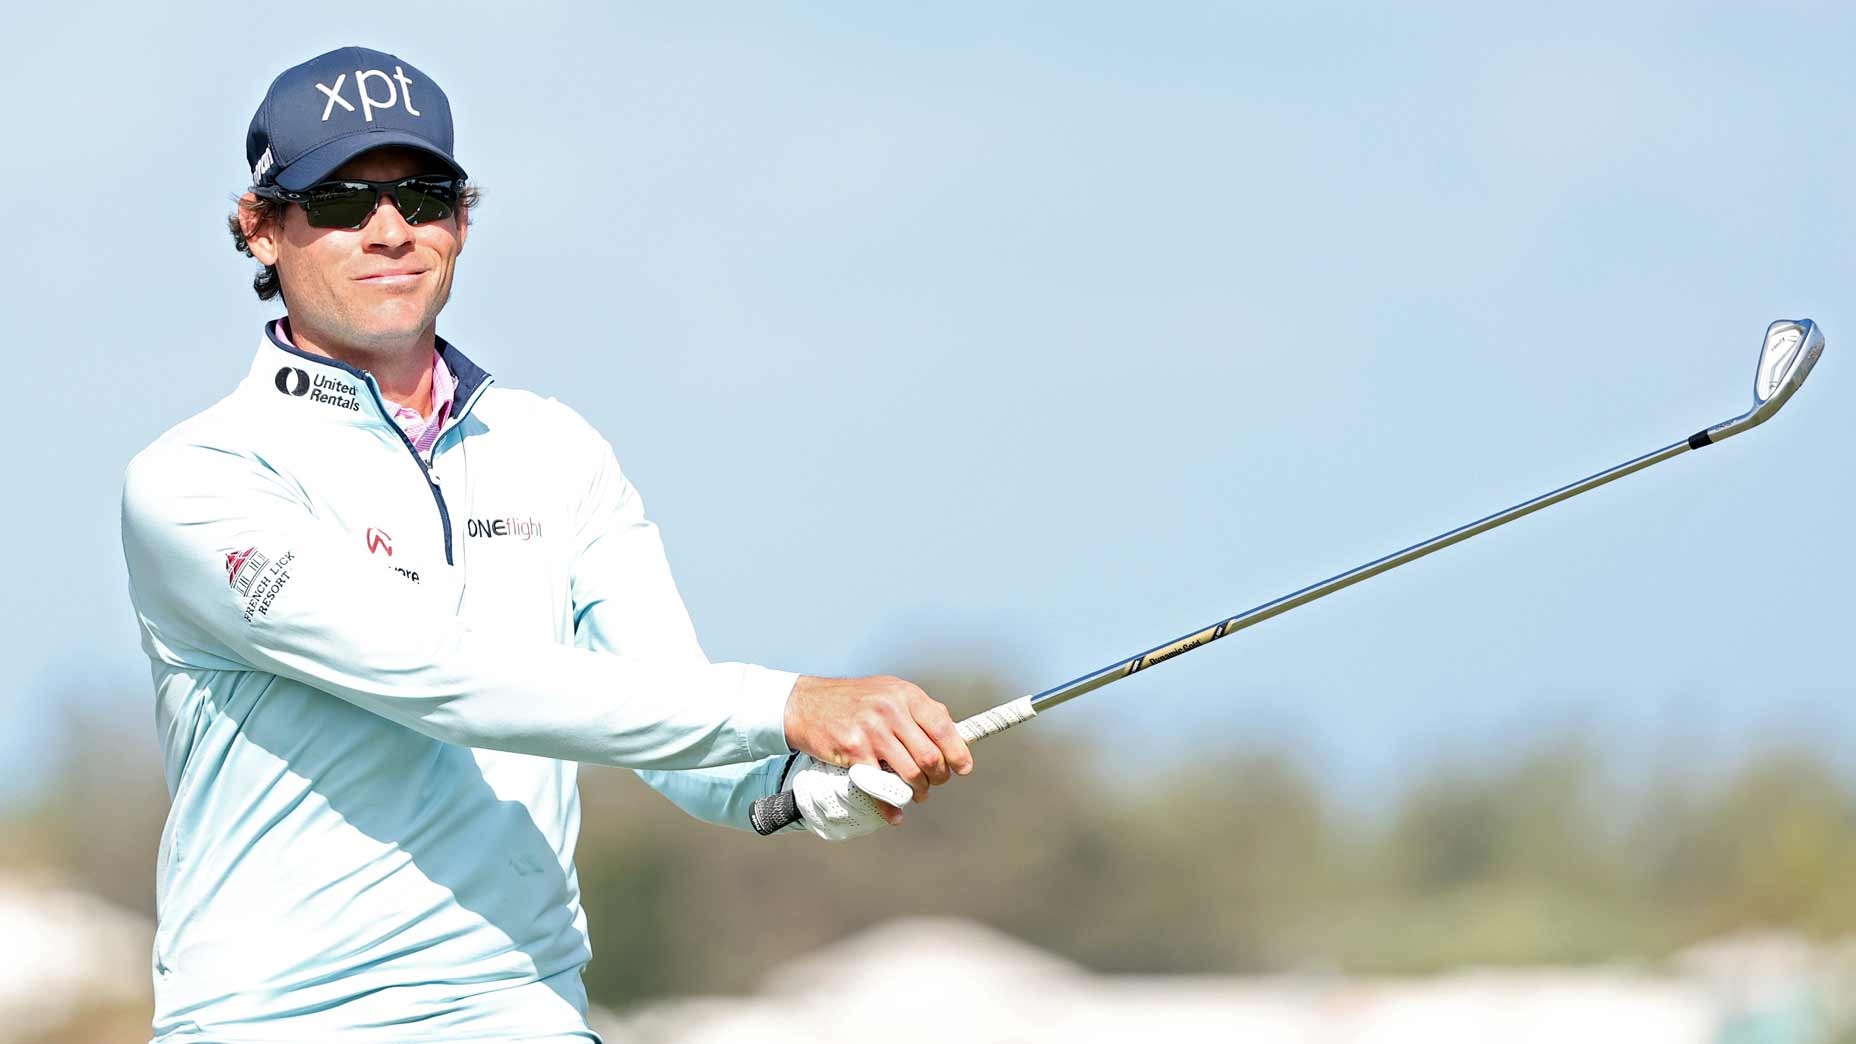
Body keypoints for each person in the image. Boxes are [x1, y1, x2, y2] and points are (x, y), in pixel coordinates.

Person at [119, 46, 972, 1043]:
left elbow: (675, 730)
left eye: (423, 196)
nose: (389, 232)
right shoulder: (199, 477)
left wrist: (799, 783)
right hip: (273, 1023)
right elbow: (441, 679)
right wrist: (786, 706)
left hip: (523, 1016)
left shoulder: (553, 448)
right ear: (261, 229)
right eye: (342, 202)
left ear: (463, 220)